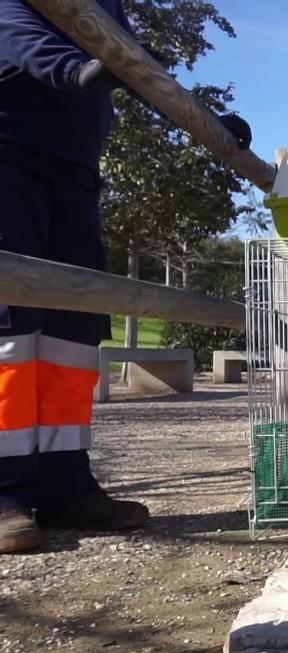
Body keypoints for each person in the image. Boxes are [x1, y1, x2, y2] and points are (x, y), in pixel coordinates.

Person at [0, 0, 251, 554]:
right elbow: (13, 26)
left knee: (73, 326)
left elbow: (131, 64)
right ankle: (5, 493)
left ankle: (66, 483)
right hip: (8, 145)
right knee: (11, 322)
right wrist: (77, 68)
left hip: (73, 162)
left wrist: (201, 119)